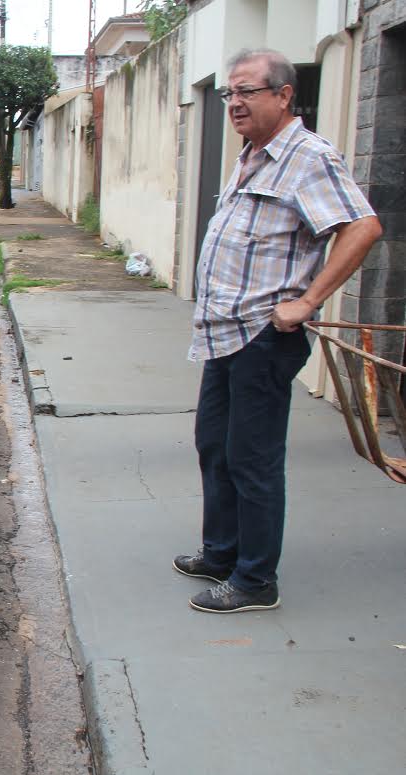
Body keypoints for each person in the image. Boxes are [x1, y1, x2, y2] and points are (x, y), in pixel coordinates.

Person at [174, 49, 382, 613]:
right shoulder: (255, 155)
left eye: (247, 92)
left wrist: (309, 301)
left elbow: (363, 226)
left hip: (264, 336)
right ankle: (221, 552)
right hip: (226, 331)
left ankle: (254, 580)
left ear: (284, 95)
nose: (235, 104)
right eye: (229, 95)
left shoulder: (307, 156)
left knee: (252, 457)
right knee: (214, 445)